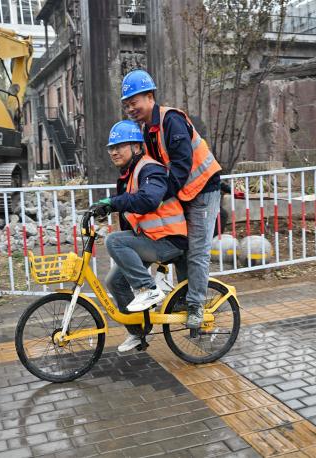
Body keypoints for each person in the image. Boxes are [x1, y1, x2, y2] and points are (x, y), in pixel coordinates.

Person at [120, 69, 222, 330]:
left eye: (134, 102)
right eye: (127, 105)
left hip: (203, 188)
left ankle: (196, 306)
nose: (131, 108)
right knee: (182, 248)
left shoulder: (171, 120)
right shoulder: (146, 130)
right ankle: (183, 297)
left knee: (198, 250)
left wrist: (156, 196)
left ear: (150, 96)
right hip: (183, 192)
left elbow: (181, 166)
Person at [91, 120, 188, 352]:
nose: (114, 151)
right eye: (111, 147)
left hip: (169, 240)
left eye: (120, 146)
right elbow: (130, 214)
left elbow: (149, 200)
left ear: (136, 147)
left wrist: (112, 203)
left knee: (114, 240)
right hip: (151, 239)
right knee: (115, 282)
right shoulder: (129, 174)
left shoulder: (150, 169)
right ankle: (139, 333)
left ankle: (148, 289)